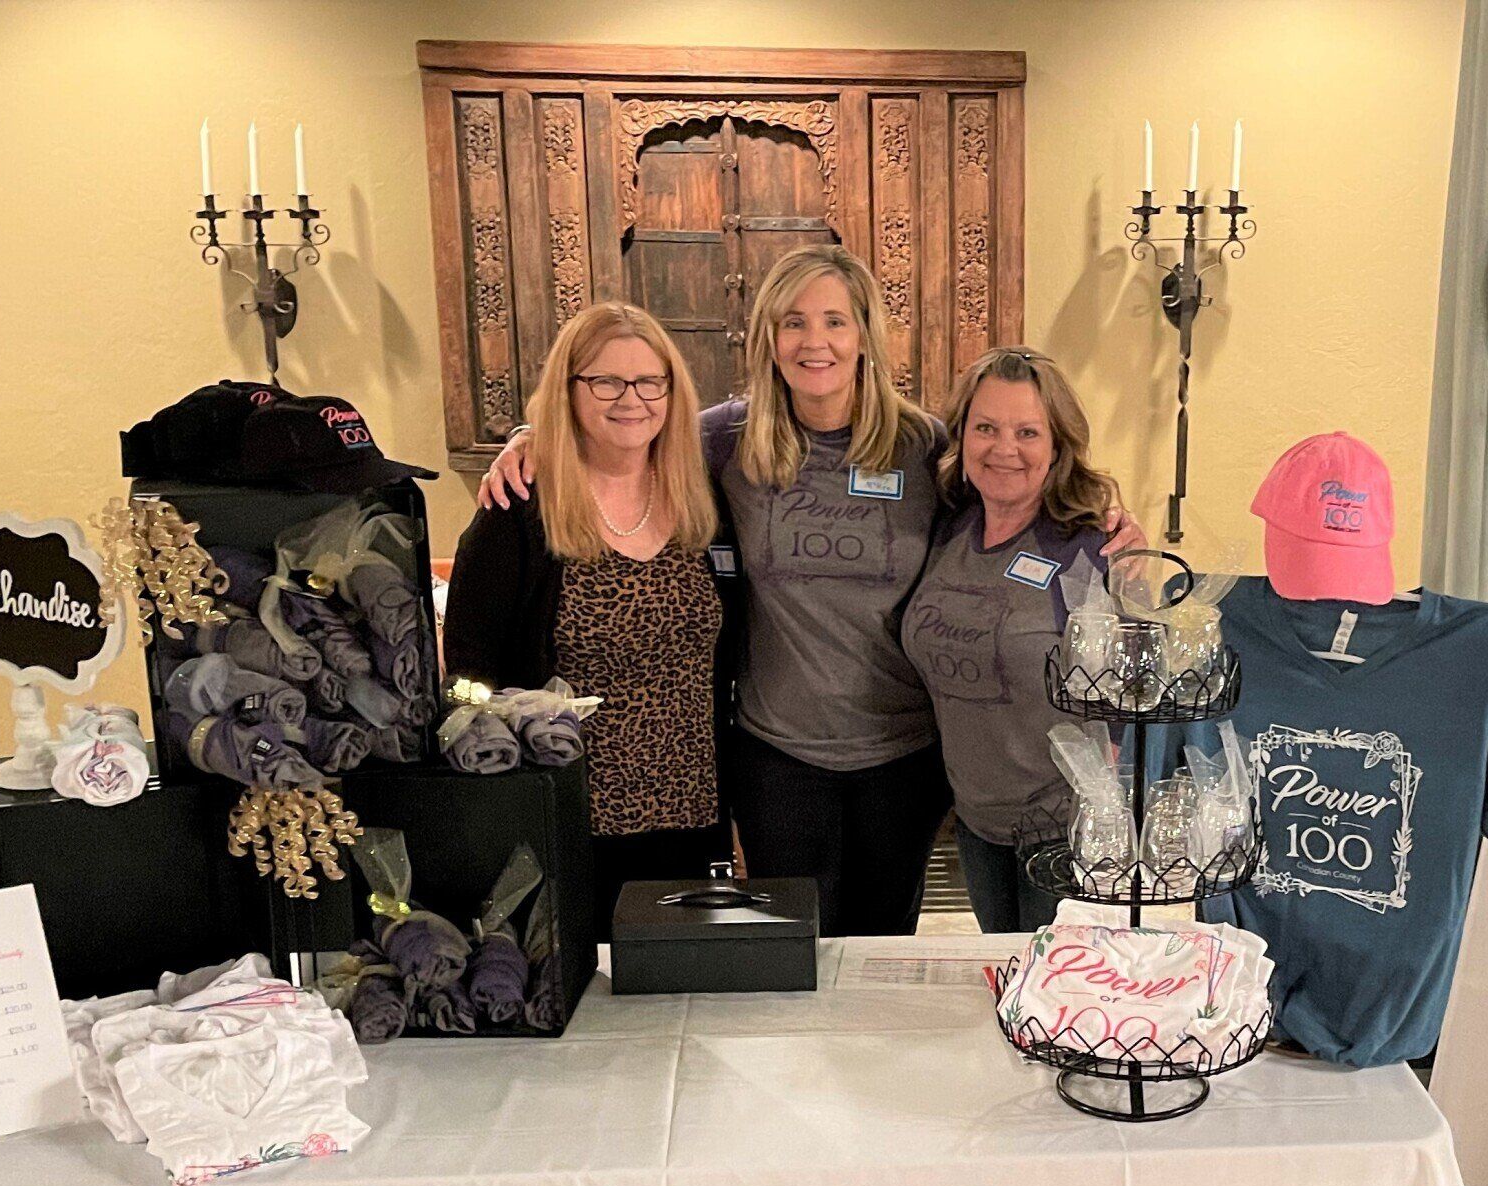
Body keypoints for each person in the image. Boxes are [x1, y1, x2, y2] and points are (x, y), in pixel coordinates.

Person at [484, 247, 1146, 935]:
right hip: (778, 760)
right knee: (792, 955)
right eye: (794, 321)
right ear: (770, 338)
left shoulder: (923, 447)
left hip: (902, 759)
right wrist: (533, 439)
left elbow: (1012, 490)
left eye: (834, 320)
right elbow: (628, 435)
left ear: (864, 335)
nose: (815, 341)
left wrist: (1104, 521)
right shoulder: (725, 440)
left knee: (882, 947)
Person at [443, 303, 741, 941]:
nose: (631, 398)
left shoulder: (700, 497)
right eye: (606, 381)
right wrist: (496, 761)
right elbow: (465, 676)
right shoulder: (520, 508)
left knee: (678, 1003)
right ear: (569, 390)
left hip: (689, 814)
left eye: (649, 381)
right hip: (565, 815)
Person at [901, 348, 1120, 932]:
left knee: (1055, 1003)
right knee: (1005, 986)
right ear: (962, 436)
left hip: (1061, 829)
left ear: (1057, 446)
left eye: (1028, 432)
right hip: (976, 820)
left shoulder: (1087, 551)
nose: (1005, 449)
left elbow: (1124, 704)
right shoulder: (950, 525)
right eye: (986, 428)